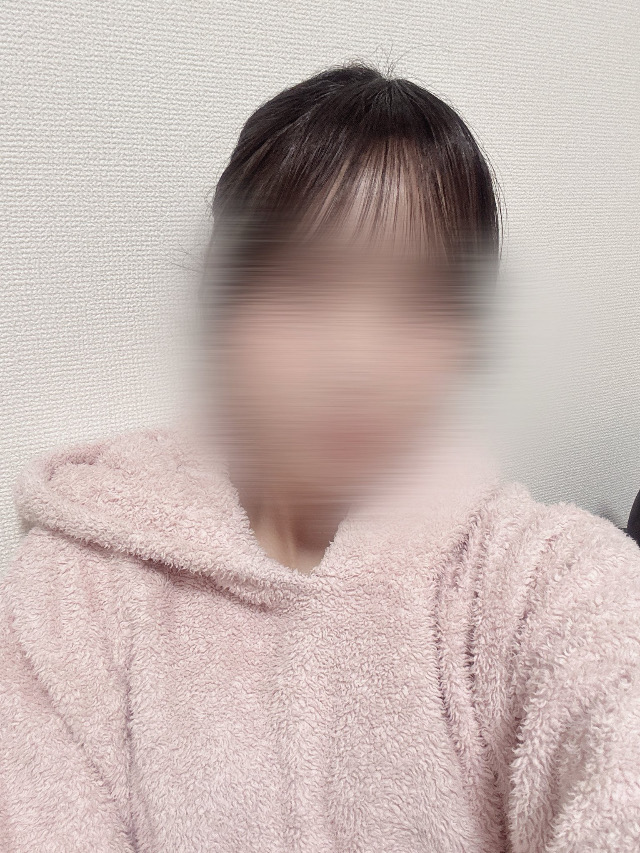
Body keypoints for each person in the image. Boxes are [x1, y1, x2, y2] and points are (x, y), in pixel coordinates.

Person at [2, 63, 639, 853]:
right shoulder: (78, 589)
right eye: (302, 287)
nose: (355, 362)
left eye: (420, 301)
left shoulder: (534, 576)